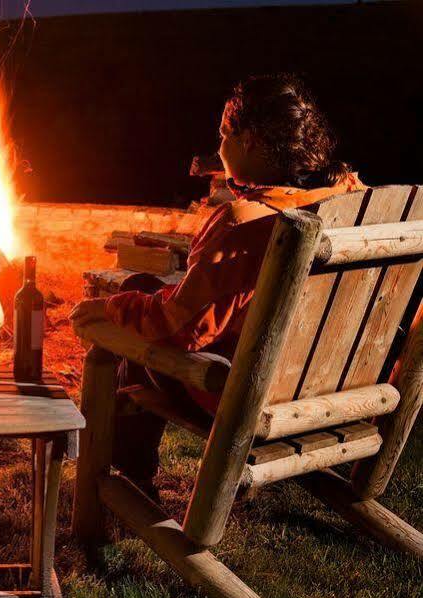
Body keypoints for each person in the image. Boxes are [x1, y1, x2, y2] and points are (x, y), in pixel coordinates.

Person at [70, 73, 365, 492]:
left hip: (254, 399)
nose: (219, 147)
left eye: (223, 135)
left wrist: (109, 308)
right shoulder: (352, 198)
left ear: (247, 140)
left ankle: (130, 476)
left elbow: (179, 327)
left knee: (137, 312)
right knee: (143, 285)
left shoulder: (247, 223)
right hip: (339, 387)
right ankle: (131, 468)